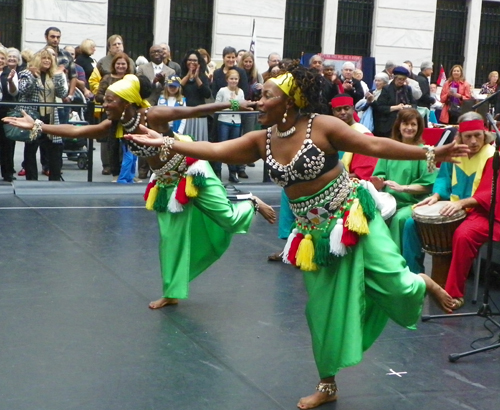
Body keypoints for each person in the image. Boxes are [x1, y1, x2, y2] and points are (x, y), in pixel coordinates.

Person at [121, 63, 467, 409]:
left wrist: (432, 151)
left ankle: (421, 281)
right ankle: (328, 384)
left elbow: (374, 145)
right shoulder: (262, 139)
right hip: (314, 235)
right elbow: (214, 150)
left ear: (289, 102)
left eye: (267, 95)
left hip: (353, 217)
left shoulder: (323, 126)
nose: (258, 101)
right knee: (322, 311)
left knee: (399, 287)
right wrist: (166, 140)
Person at [3, 73, 276, 309]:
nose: (105, 104)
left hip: (192, 170)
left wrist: (240, 103)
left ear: (128, 103)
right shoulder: (116, 124)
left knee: (227, 219)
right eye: (106, 99)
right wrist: (37, 126)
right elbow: (78, 132)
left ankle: (248, 200)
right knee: (171, 240)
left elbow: (196, 110)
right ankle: (172, 293)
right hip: (167, 182)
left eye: (111, 100)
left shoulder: (154, 114)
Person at [402, 112, 495, 296]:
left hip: (479, 211)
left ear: (485, 134)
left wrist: (462, 203)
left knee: (463, 234)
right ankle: (413, 279)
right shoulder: (455, 152)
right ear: (460, 137)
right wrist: (436, 195)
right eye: (468, 136)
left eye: (478, 135)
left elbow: (491, 192)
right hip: (452, 206)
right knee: (411, 224)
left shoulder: (493, 156)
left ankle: (452, 293)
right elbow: (444, 178)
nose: (474, 141)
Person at [370, 109, 436, 251]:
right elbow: (379, 176)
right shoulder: (389, 149)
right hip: (389, 201)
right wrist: (378, 182)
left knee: (399, 219)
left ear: (419, 128)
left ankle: (396, 261)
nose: (409, 128)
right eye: (405, 124)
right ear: (398, 125)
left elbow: (428, 186)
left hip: (413, 204)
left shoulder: (424, 152)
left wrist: (404, 188)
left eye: (413, 124)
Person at [17, 48, 68, 181]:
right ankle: (32, 179)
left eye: (49, 59)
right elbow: (22, 91)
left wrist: (59, 77)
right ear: (38, 60)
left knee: (55, 148)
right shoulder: (26, 73)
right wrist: (34, 77)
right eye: (44, 58)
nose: (46, 61)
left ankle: (55, 178)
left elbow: (62, 94)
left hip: (50, 117)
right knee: (31, 148)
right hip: (34, 116)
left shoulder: (53, 75)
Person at [95, 52, 135, 181]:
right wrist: (111, 100)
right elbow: (98, 95)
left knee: (130, 144)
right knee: (113, 145)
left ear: (127, 65)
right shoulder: (107, 78)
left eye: (123, 63)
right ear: (114, 65)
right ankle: (115, 173)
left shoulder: (131, 78)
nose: (121, 66)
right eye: (118, 63)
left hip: (128, 117)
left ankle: (129, 173)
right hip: (112, 116)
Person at [331, 94, 378, 180]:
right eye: (338, 109)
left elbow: (364, 172)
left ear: (353, 109)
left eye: (346, 108)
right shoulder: (331, 133)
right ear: (333, 112)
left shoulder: (363, 134)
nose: (342, 112)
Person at [214, 69, 246, 183]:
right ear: (227, 79)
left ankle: (233, 172)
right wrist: (229, 104)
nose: (233, 81)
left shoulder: (240, 92)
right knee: (222, 146)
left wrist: (237, 105)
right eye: (231, 79)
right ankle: (218, 171)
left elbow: (243, 105)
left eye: (236, 79)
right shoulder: (222, 90)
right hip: (224, 120)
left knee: (234, 147)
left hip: (236, 121)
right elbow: (216, 105)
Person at [373, 65, 417, 137]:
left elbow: (414, 104)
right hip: (389, 125)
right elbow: (380, 107)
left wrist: (409, 107)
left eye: (403, 79)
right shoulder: (386, 89)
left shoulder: (407, 89)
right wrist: (396, 107)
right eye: (399, 79)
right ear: (394, 78)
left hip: (404, 123)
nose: (401, 81)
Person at [179, 49, 212, 142]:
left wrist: (197, 78)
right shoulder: (181, 76)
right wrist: (188, 76)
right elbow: (177, 90)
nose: (192, 62)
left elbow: (207, 94)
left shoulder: (203, 77)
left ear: (199, 62)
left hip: (199, 116)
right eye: (189, 60)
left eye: (195, 60)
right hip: (185, 116)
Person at [0, 48, 19, 182]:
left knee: (7, 144)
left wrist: (11, 81)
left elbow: (13, 93)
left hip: (6, 111)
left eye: (2, 58)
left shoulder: (10, 73)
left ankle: (7, 173)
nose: (0, 60)